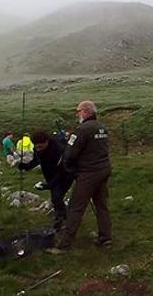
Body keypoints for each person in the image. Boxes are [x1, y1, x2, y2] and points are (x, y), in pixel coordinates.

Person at [46, 100, 112, 253]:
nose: (77, 114)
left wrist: (69, 166)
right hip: (104, 169)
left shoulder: (82, 129)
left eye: (78, 111)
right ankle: (105, 237)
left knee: (75, 207)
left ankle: (64, 245)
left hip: (89, 172)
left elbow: (70, 153)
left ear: (85, 112)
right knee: (101, 204)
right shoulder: (102, 127)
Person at [19, 130, 74, 230]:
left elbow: (62, 170)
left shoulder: (58, 149)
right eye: (36, 147)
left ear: (47, 142)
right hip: (51, 175)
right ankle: (63, 218)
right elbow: (37, 159)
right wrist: (26, 166)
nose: (38, 149)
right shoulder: (37, 148)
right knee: (56, 198)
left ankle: (63, 220)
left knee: (56, 196)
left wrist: (50, 184)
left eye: (40, 147)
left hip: (65, 174)